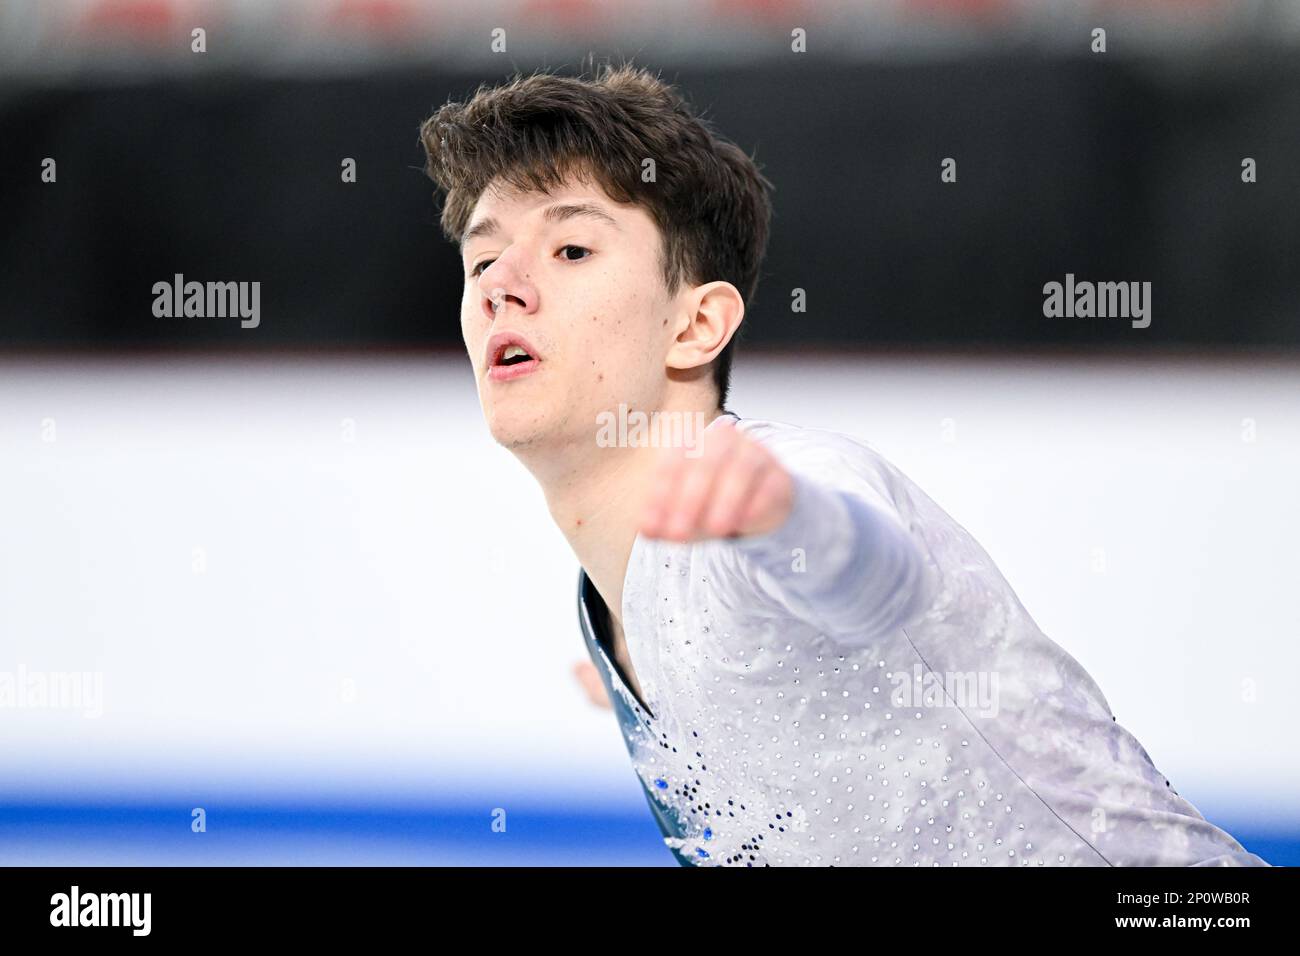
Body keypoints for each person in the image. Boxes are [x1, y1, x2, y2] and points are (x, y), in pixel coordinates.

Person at [418, 61, 1270, 867]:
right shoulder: (615, 610)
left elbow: (873, 576)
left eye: (571, 251)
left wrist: (784, 516)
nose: (502, 286)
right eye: (483, 260)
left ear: (695, 326)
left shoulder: (784, 478)